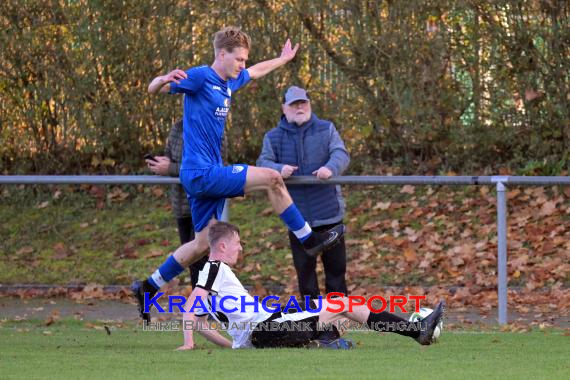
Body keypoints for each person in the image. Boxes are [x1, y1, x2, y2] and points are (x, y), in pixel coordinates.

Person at [132, 26, 344, 322]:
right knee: (273, 178)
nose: (243, 65)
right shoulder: (200, 77)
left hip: (204, 177)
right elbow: (154, 89)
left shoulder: (228, 82)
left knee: (201, 244)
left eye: (245, 59)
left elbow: (256, 71)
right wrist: (162, 80)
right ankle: (309, 239)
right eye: (239, 59)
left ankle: (147, 286)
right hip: (203, 173)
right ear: (222, 54)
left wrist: (282, 60)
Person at [177, 222, 446, 350]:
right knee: (344, 304)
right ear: (222, 246)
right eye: (237, 242)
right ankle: (417, 331)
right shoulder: (214, 269)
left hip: (266, 330)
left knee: (336, 311)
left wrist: (233, 346)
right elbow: (190, 308)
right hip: (268, 330)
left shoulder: (210, 276)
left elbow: (199, 322)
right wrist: (189, 344)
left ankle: (323, 343)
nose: (240, 247)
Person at [257, 86, 349, 300]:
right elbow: (263, 162)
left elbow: (341, 153)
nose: (299, 107)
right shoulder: (272, 137)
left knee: (336, 276)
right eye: (294, 104)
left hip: (330, 213)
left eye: (303, 103)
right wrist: (279, 169)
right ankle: (314, 325)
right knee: (306, 278)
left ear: (309, 104)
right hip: (297, 219)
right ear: (284, 108)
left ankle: (336, 327)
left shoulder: (327, 129)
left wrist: (330, 168)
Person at [145, 120, 207, 288]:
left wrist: (171, 168)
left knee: (201, 259)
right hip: (181, 203)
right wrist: (161, 164)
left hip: (203, 203)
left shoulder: (211, 127)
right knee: (191, 260)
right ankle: (199, 307)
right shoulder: (178, 128)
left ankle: (202, 307)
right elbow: (170, 156)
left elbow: (209, 168)